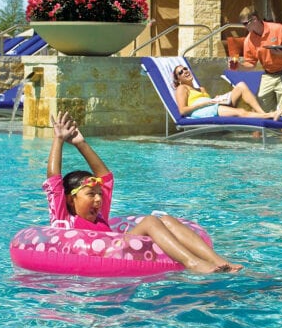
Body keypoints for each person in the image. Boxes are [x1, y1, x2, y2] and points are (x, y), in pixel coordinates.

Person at [45, 111, 243, 274]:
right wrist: (59, 140)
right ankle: (193, 263)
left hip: (117, 248)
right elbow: (54, 177)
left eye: (99, 194)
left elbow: (105, 177)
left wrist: (81, 143)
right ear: (70, 199)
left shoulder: (99, 216)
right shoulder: (62, 219)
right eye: (91, 194)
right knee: (149, 221)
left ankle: (219, 261)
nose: (98, 199)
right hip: (104, 254)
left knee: (166, 220)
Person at [235, 7, 282, 115]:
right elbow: (251, 63)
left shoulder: (278, 29)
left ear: (255, 19)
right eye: (243, 24)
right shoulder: (248, 40)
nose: (244, 26)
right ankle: (267, 132)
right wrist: (239, 66)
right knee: (261, 111)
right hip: (268, 75)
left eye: (246, 23)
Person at [172, 63, 280, 120]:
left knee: (241, 86)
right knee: (240, 112)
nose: (185, 72)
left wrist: (215, 99)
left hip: (212, 106)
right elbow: (182, 111)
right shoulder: (182, 89)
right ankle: (268, 115)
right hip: (201, 111)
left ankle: (262, 113)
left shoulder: (201, 89)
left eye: (185, 68)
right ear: (178, 80)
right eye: (180, 72)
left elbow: (210, 102)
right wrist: (206, 103)